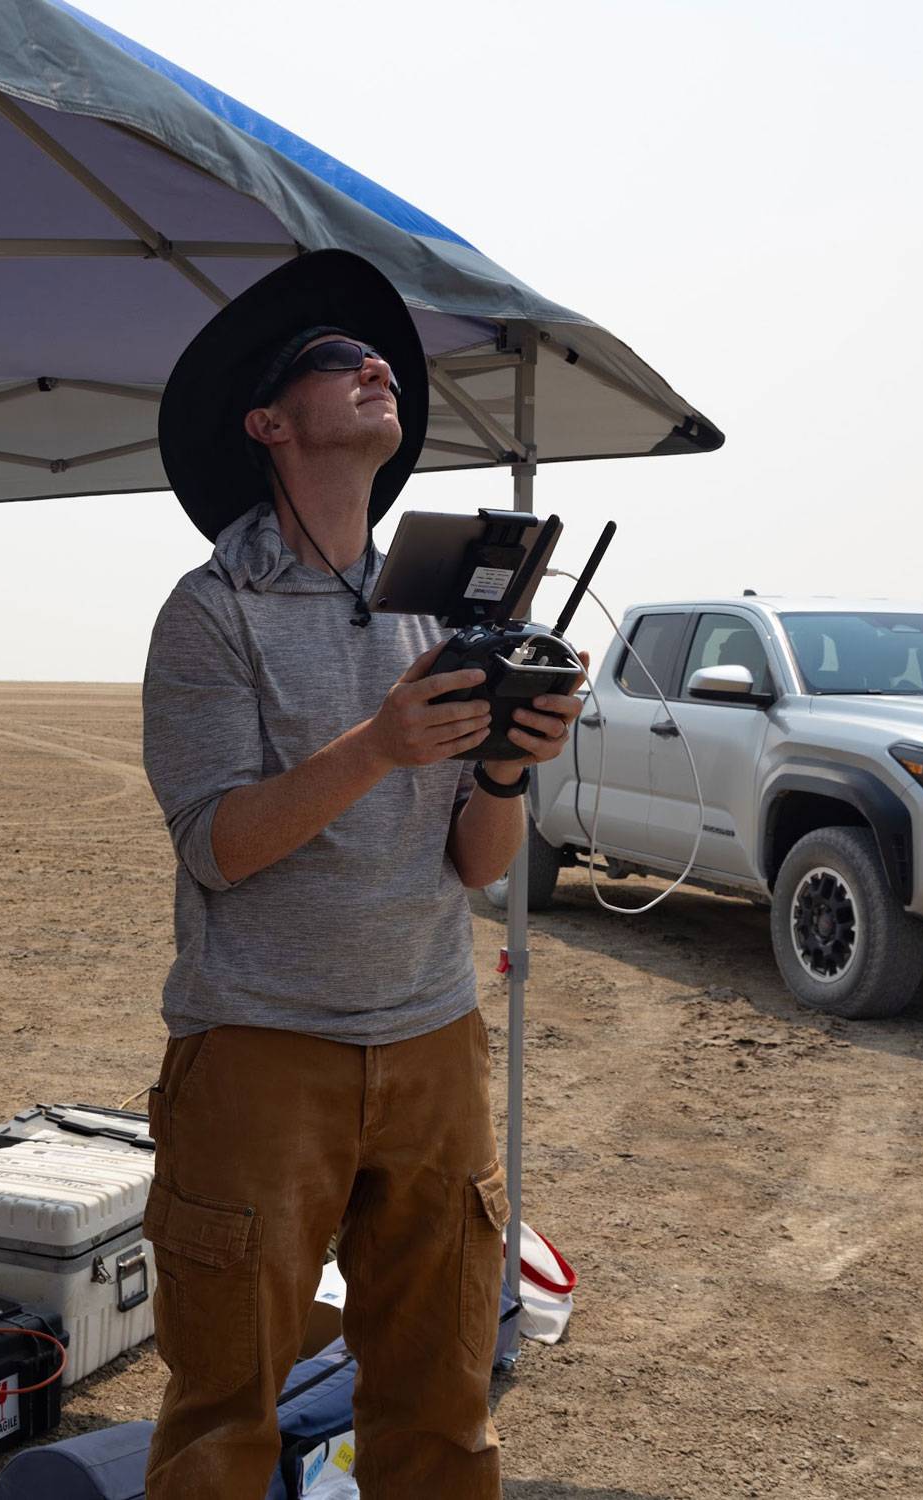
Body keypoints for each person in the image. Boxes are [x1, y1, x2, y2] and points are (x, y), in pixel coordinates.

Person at [140, 251, 584, 1499]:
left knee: (441, 1404)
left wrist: (507, 768)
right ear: (267, 425)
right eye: (333, 361)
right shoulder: (209, 610)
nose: (373, 365)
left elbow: (475, 865)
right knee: (222, 1416)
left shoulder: (441, 611)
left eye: (377, 357)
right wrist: (379, 745)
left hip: (433, 1036)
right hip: (260, 1047)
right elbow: (216, 844)